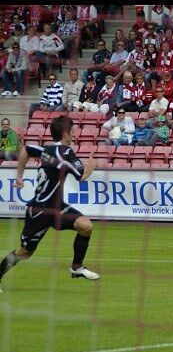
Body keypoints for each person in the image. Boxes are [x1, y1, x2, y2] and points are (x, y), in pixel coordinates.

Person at [0, 116, 100, 293]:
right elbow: (82, 176)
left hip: (57, 207)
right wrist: (93, 165)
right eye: (72, 131)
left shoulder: (46, 149)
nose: (74, 134)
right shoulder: (66, 153)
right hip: (39, 211)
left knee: (86, 226)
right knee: (24, 252)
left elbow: (25, 149)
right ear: (66, 134)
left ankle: (76, 267)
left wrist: (19, 177)